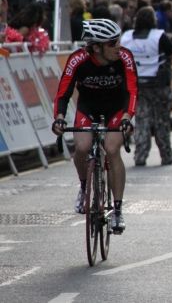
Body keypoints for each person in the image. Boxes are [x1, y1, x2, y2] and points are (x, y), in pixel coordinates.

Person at [52, 19, 137, 234]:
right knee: (81, 147)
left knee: (111, 148)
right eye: (112, 43)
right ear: (96, 47)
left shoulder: (125, 57)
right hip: (88, 107)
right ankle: (84, 187)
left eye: (118, 41)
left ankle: (117, 211)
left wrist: (127, 117)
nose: (118, 46)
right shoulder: (77, 60)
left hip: (117, 108)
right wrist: (59, 118)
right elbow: (63, 93)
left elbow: (132, 91)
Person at [120, 6, 172, 167]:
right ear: (153, 20)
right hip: (158, 84)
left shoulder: (126, 37)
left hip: (136, 85)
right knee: (161, 120)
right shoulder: (159, 36)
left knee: (141, 119)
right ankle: (166, 154)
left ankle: (140, 155)